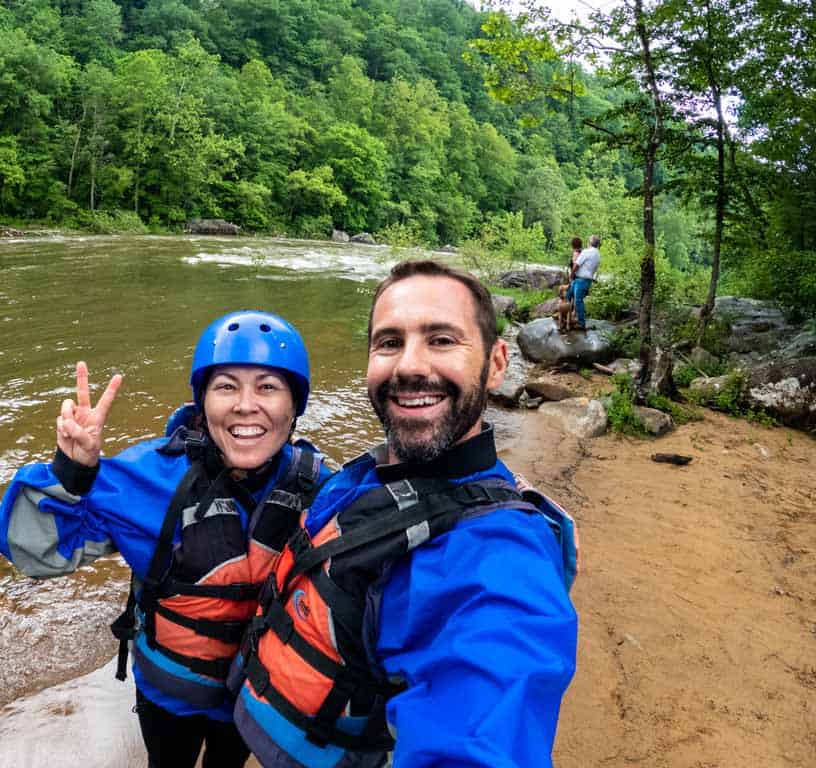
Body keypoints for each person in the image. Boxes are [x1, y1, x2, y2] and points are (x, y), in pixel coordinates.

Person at [230, 261, 578, 768]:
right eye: (389, 343)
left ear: (497, 364)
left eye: (441, 340)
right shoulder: (376, 471)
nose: (409, 366)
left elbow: (484, 731)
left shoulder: (499, 569)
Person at [0, 311, 331, 768]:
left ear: (294, 407)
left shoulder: (322, 492)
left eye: (268, 387)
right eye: (226, 386)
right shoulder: (148, 478)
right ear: (203, 402)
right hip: (169, 698)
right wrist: (70, 474)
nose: (246, 405)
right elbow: (35, 553)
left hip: (251, 696)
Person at [567, 234, 601, 330]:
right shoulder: (598, 254)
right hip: (586, 280)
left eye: (588, 240)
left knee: (578, 301)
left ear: (590, 242)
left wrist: (571, 274)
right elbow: (593, 268)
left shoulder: (587, 252)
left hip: (580, 280)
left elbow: (577, 265)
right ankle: (565, 316)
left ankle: (581, 323)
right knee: (568, 296)